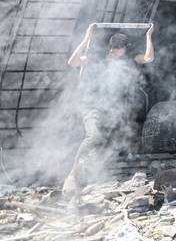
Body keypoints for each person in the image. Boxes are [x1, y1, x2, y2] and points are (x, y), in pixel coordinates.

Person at [63, 23, 155, 198]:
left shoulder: (128, 60)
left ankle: (90, 179)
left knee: (108, 142)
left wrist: (149, 36)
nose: (121, 52)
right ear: (112, 48)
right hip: (91, 107)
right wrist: (87, 37)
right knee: (94, 136)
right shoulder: (96, 58)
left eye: (122, 50)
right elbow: (73, 61)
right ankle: (72, 176)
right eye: (119, 49)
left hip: (110, 109)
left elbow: (149, 57)